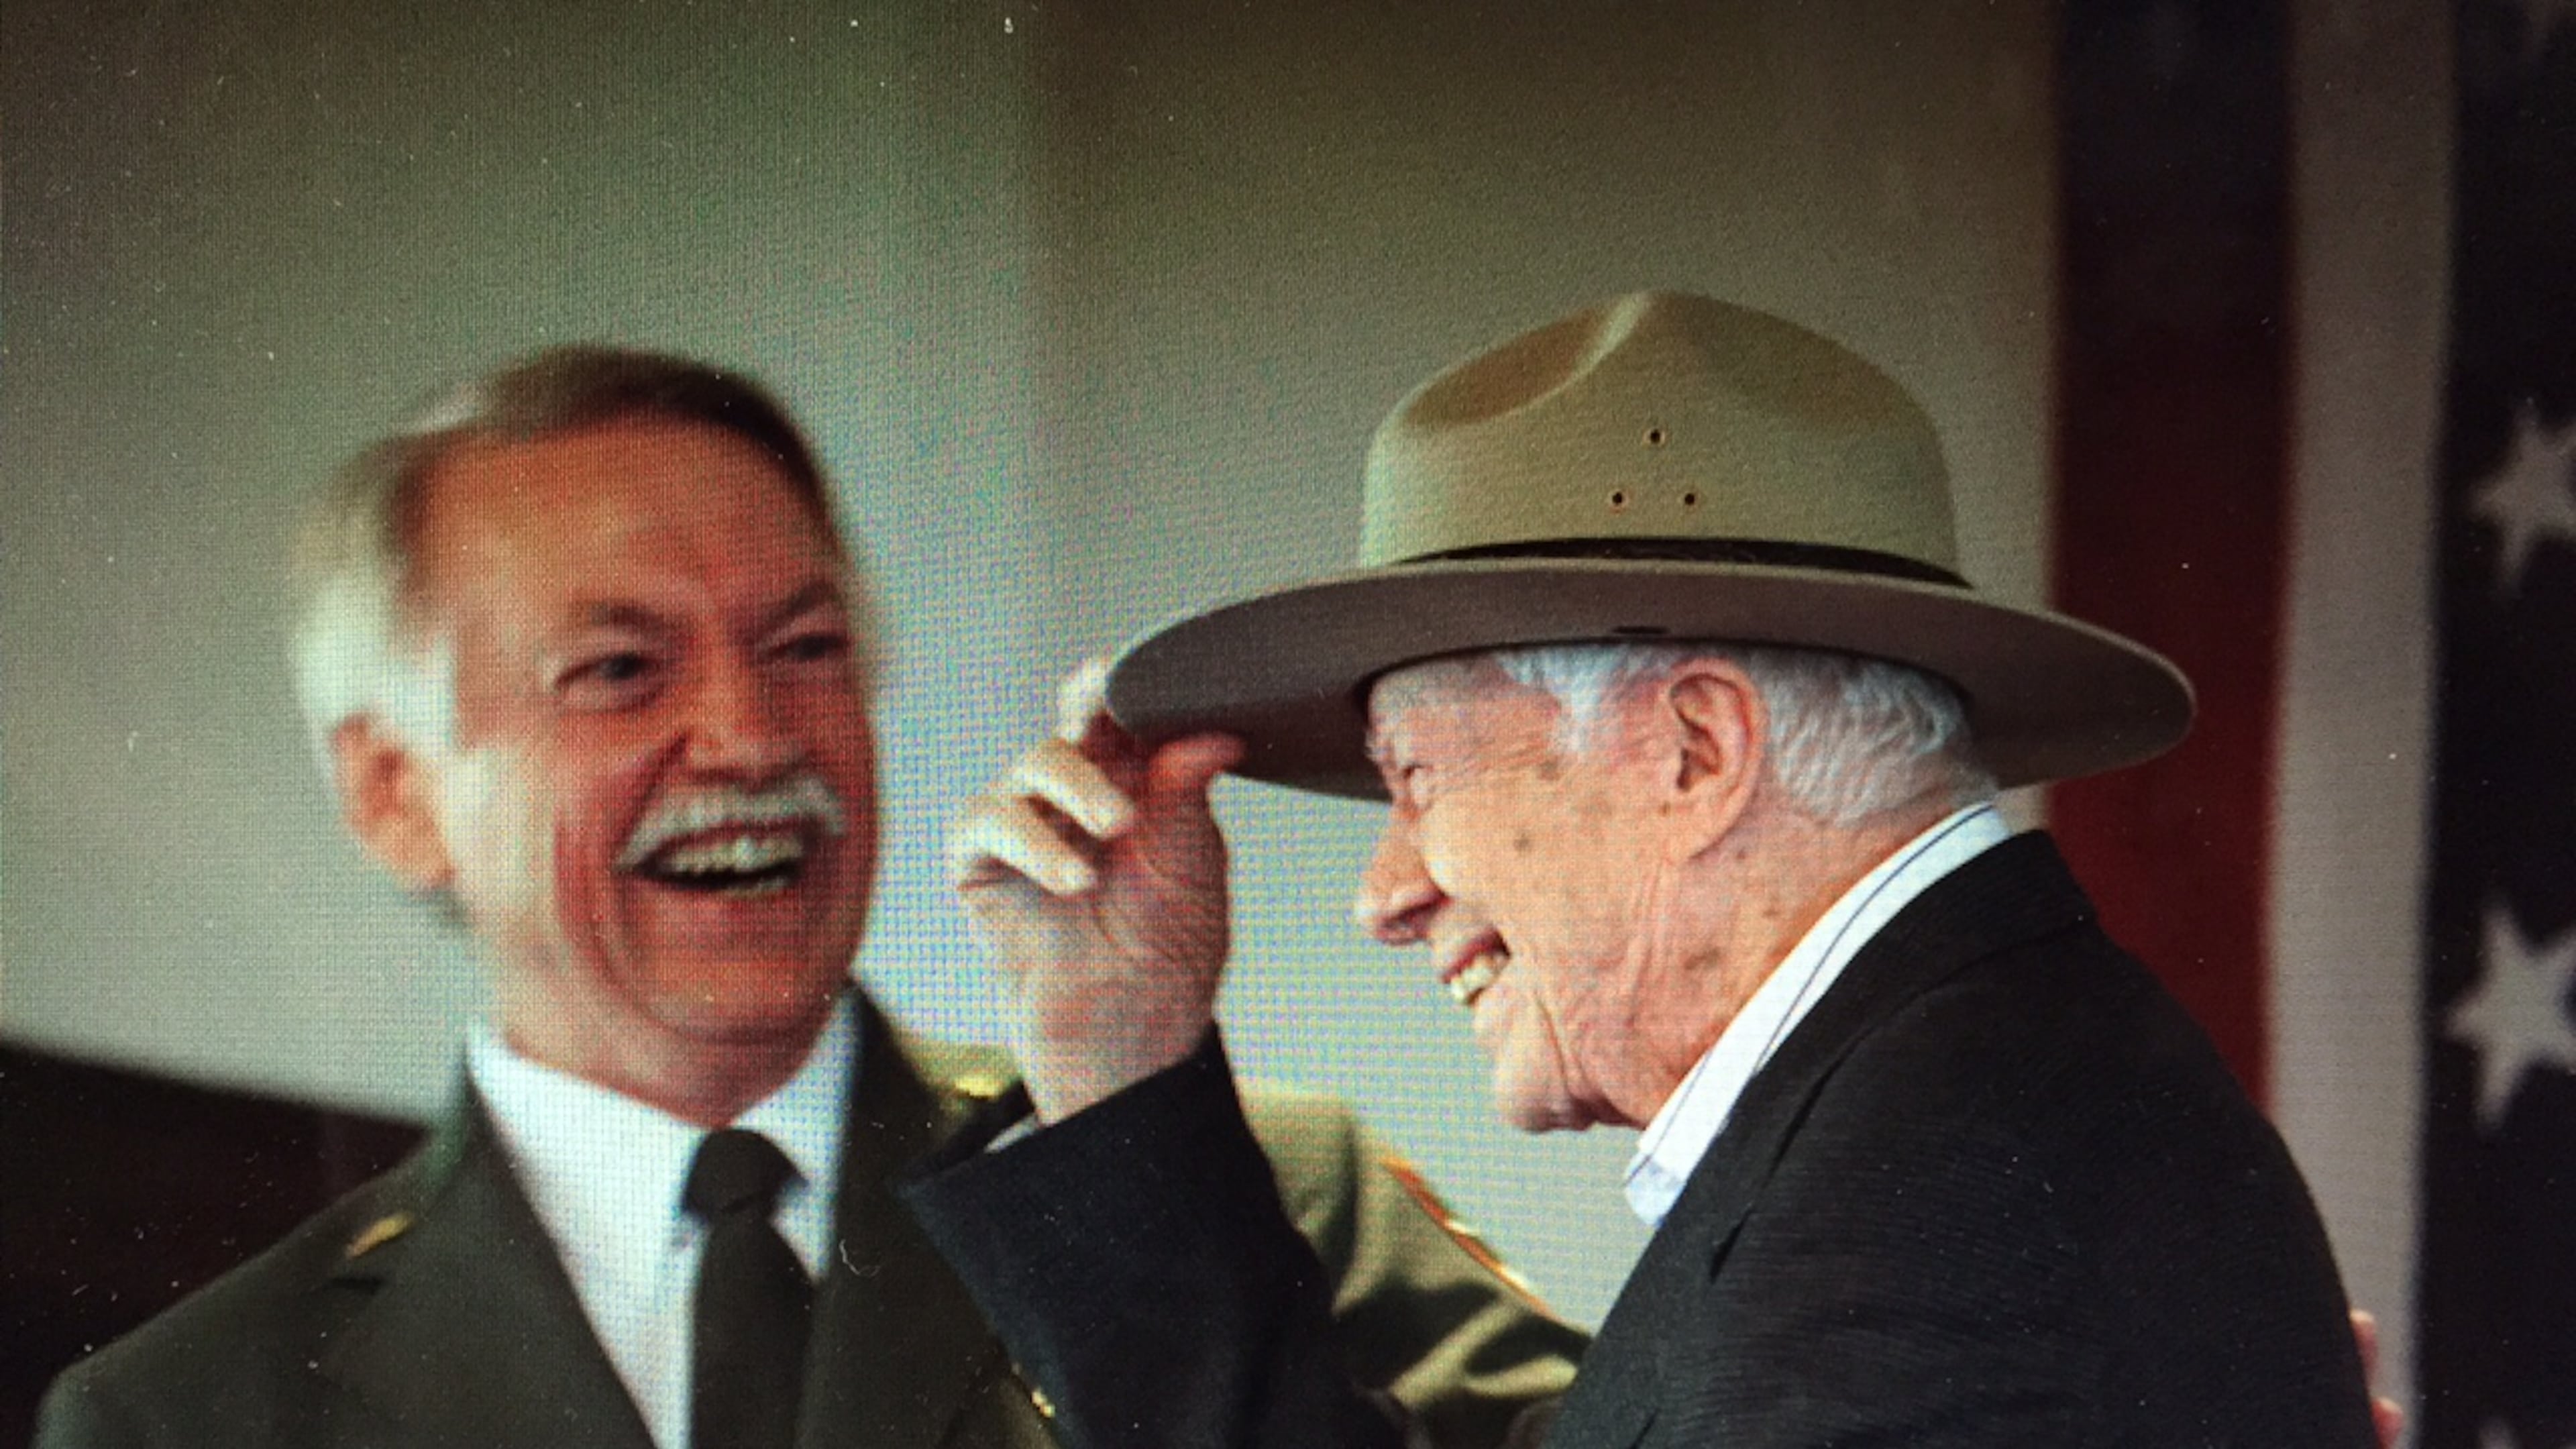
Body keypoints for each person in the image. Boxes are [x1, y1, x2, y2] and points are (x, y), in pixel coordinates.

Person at [32, 347, 1584, 1449]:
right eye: (621, 671)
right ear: (394, 794)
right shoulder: (190, 1414)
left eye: (806, 650)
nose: (755, 740)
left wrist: (1128, 1102)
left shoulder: (1248, 1189)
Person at [913, 290, 2385, 1446]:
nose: (1385, 893)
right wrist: (1121, 1060)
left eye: (1416, 779)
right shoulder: (1951, 1120)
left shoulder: (1913, 1254)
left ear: (1694, 751)